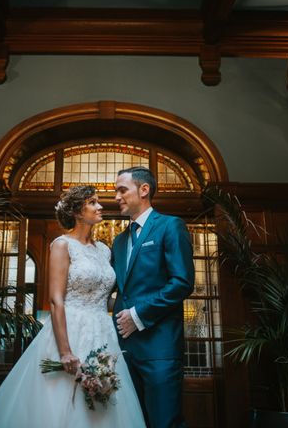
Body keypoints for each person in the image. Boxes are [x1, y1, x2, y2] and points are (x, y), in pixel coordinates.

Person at [0, 185, 146, 428]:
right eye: (93, 202)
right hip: (70, 329)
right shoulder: (62, 245)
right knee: (61, 399)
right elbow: (56, 300)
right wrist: (65, 351)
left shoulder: (104, 251)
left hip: (103, 331)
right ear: (77, 212)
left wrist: (136, 307)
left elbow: (102, 296)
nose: (100, 206)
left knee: (104, 400)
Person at [112, 167, 195, 428]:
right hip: (124, 350)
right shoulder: (118, 240)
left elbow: (182, 282)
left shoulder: (170, 226)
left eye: (122, 189)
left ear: (144, 190)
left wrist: (138, 315)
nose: (116, 196)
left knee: (164, 422)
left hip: (160, 348)